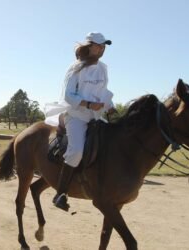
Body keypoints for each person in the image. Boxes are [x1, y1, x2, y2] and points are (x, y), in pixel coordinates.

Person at [45, 32, 115, 211]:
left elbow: (103, 92)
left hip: (96, 116)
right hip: (76, 115)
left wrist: (111, 107)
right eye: (99, 45)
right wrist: (89, 104)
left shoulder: (103, 68)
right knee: (76, 151)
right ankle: (60, 194)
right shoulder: (75, 68)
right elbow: (69, 95)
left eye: (104, 46)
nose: (102, 49)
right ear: (89, 46)